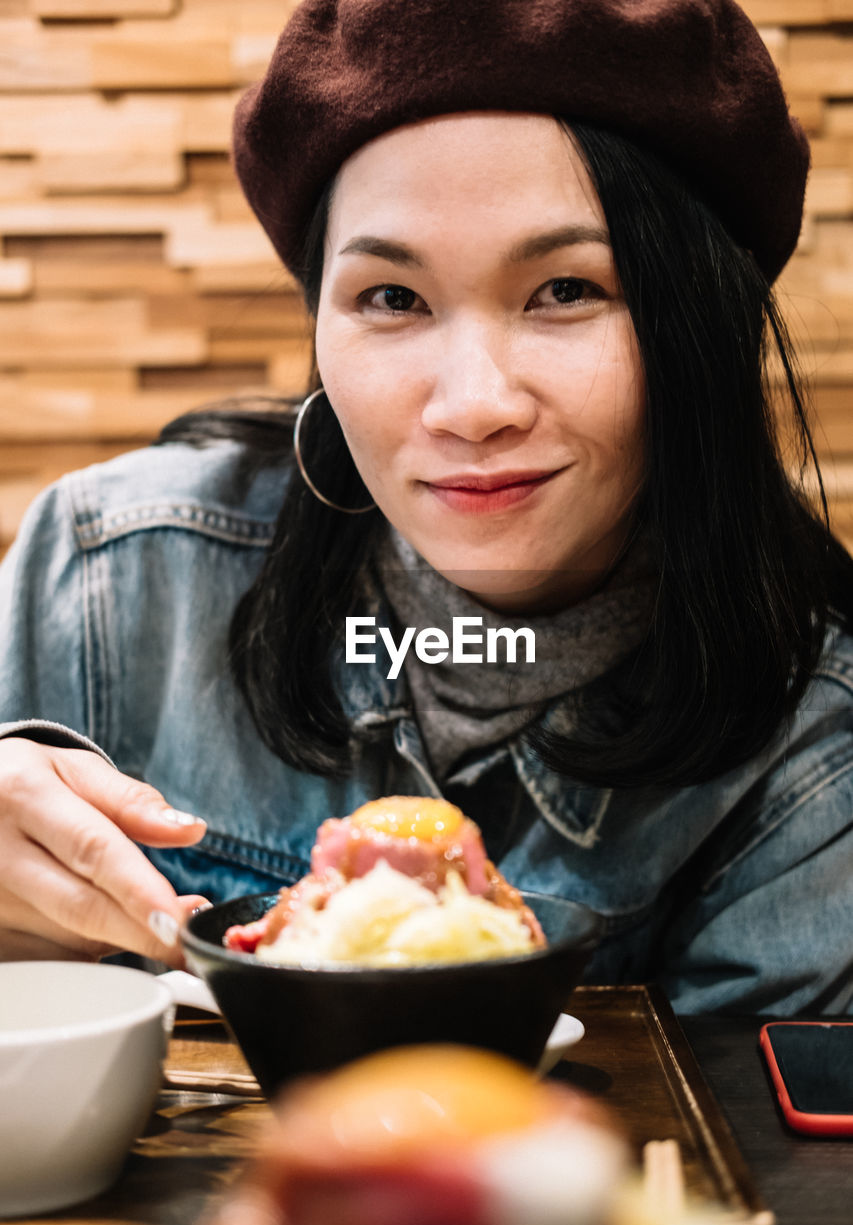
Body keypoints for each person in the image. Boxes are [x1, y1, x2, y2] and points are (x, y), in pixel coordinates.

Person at [1, 0, 852, 1014]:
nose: (473, 405)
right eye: (392, 299)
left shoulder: (810, 729)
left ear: (697, 322)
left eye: (566, 288)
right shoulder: (109, 573)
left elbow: (741, 1165)